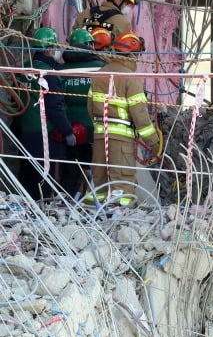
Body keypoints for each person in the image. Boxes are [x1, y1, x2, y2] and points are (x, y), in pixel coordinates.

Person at [87, 31, 160, 207]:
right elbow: (140, 115)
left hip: (99, 137)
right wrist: (153, 142)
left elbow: (90, 108)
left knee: (99, 179)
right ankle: (121, 221)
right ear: (132, 54)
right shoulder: (130, 78)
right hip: (121, 141)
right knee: (122, 182)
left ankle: (91, 214)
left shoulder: (99, 74)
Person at [17, 27, 75, 200]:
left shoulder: (23, 70)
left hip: (22, 130)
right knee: (43, 175)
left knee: (26, 173)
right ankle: (41, 207)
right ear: (50, 49)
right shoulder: (49, 74)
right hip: (44, 134)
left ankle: (26, 208)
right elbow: (54, 106)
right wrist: (68, 131)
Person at [58, 28, 107, 197]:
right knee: (97, 170)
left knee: (71, 170)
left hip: (68, 128)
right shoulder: (101, 68)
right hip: (95, 128)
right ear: (90, 45)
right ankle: (93, 201)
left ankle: (64, 201)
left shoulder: (60, 70)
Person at [72, 0, 137, 38]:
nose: (128, 7)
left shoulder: (84, 14)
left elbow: (71, 38)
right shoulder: (124, 23)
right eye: (127, 3)